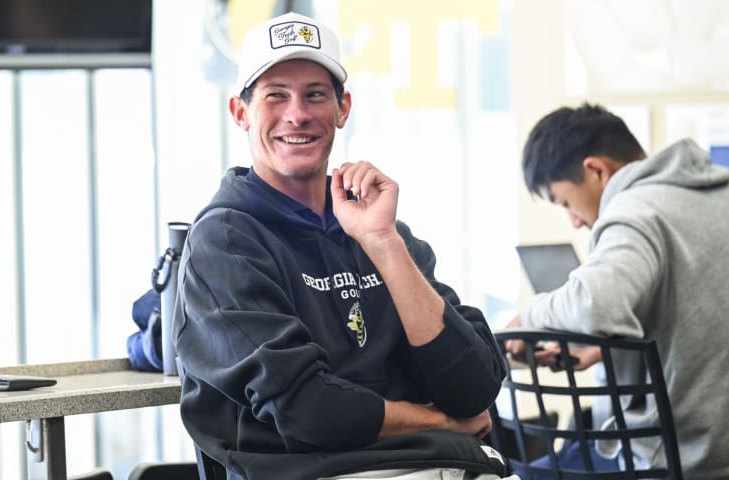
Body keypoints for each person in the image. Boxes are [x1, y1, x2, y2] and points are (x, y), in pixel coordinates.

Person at [172, 12, 513, 480]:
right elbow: (309, 410)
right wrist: (443, 424)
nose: (298, 114)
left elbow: (474, 386)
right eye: (276, 95)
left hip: (440, 465)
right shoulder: (226, 241)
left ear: (342, 109)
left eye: (315, 94)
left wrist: (384, 244)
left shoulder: (380, 230)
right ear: (240, 113)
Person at [507, 103, 729, 479]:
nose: (574, 219)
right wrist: (603, 351)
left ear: (597, 170)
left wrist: (529, 313)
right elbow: (705, 319)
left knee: (516, 472)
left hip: (674, 460)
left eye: (566, 202)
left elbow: (594, 303)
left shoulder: (634, 210)